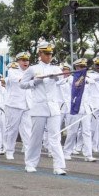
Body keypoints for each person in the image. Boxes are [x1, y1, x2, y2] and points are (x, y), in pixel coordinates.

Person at [20, 42, 66, 175]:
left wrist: (57, 77)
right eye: (46, 54)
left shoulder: (56, 68)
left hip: (53, 107)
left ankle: (59, 166)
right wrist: (35, 82)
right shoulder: (33, 69)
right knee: (36, 137)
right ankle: (30, 163)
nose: (49, 56)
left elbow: (62, 81)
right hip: (38, 107)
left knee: (55, 137)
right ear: (40, 54)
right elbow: (22, 85)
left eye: (50, 54)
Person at [3, 54, 32, 160]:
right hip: (14, 104)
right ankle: (9, 150)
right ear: (18, 61)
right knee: (12, 129)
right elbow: (18, 80)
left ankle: (29, 152)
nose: (25, 62)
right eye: (23, 60)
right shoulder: (13, 70)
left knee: (27, 130)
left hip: (27, 104)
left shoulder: (31, 71)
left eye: (27, 60)